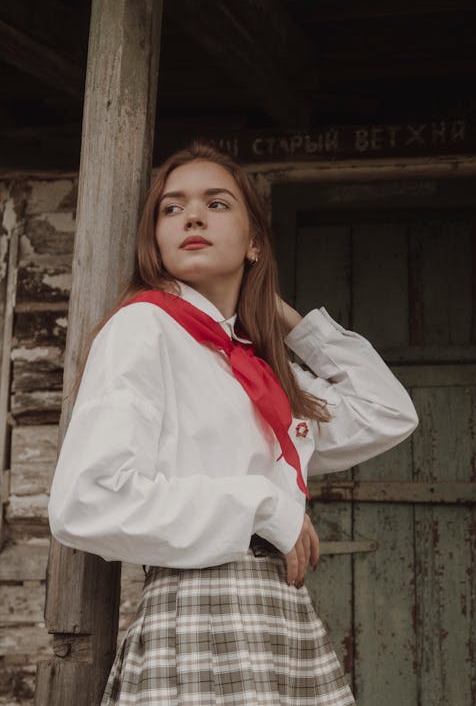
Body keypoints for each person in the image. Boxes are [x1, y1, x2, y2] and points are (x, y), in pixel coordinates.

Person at [48, 141, 419, 705]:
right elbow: (86, 500)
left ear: (253, 243)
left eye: (216, 203)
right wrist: (264, 506)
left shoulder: (257, 365)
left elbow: (386, 412)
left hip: (281, 617)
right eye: (171, 208)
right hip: (200, 615)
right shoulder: (144, 328)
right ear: (156, 239)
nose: (192, 215)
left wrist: (280, 316)